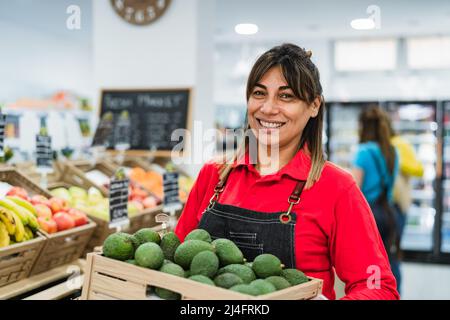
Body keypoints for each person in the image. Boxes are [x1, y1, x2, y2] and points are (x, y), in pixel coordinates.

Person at [175, 43, 399, 300]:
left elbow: (378, 287)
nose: (268, 108)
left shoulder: (336, 187)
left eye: (286, 96)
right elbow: (177, 260)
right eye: (259, 93)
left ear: (314, 106)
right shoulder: (214, 175)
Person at [351, 106, 401, 293]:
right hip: (389, 212)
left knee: (368, 265)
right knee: (389, 261)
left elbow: (354, 188)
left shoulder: (363, 151)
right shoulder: (392, 151)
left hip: (369, 214)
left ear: (364, 127)